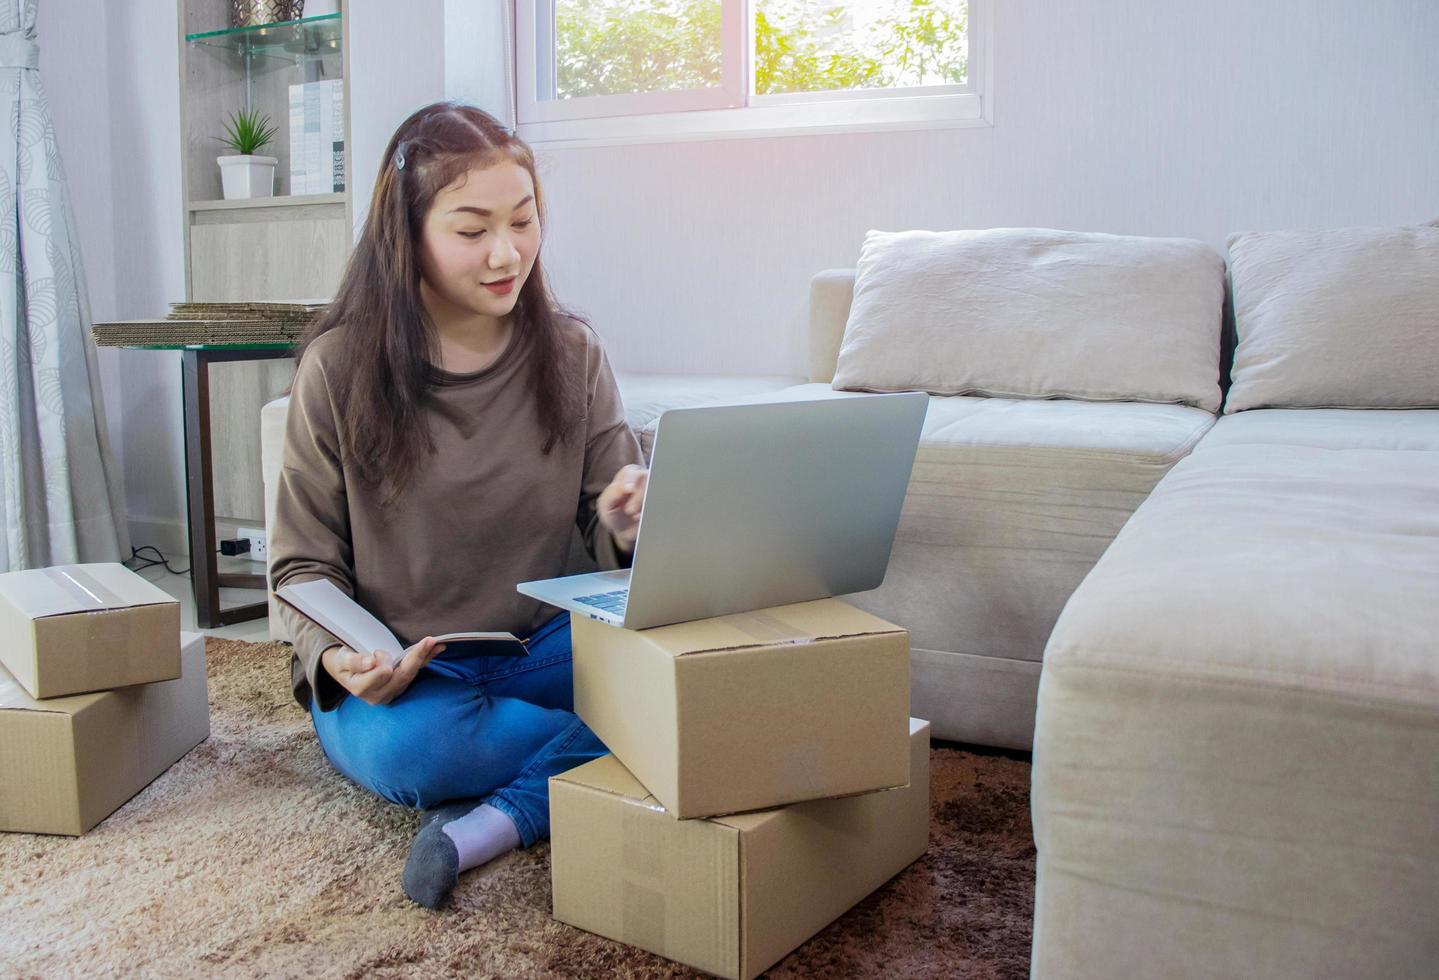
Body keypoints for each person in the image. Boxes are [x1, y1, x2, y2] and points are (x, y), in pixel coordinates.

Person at [269, 102, 647, 910]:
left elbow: (609, 515)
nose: (506, 253)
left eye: (523, 220)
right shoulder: (337, 368)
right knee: (420, 751)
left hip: (535, 649)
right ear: (408, 235)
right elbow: (300, 566)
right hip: (407, 677)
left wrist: (624, 520)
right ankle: (597, 760)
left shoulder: (573, 351)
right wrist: (339, 660)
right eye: (472, 231)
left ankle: (490, 821)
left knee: (696, 670)